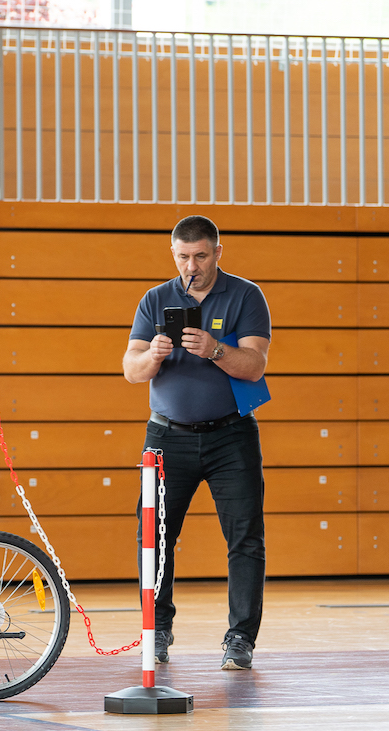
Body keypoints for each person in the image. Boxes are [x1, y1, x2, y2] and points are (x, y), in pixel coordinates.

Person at [122, 215, 271, 670]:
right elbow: (131, 370)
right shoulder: (155, 299)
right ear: (173, 254)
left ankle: (240, 638)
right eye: (184, 257)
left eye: (201, 256)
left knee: (245, 538)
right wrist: (152, 356)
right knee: (154, 537)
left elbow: (255, 365)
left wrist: (214, 349)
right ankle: (157, 631)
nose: (192, 266)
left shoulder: (245, 295)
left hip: (232, 435)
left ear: (218, 252)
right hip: (166, 436)